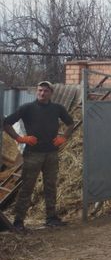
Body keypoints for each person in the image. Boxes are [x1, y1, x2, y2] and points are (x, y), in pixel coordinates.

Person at [2, 80, 76, 232]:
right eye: (40, 90)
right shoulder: (27, 108)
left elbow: (70, 123)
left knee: (50, 186)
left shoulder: (57, 108)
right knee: (27, 188)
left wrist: (64, 137)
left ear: (51, 93)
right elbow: (6, 123)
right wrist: (20, 138)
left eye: (46, 91)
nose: (42, 93)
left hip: (51, 153)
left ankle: (51, 218)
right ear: (37, 91)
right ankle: (18, 222)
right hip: (32, 154)